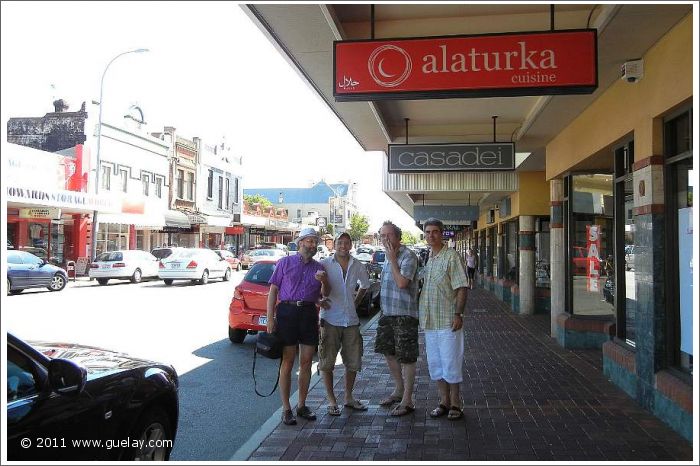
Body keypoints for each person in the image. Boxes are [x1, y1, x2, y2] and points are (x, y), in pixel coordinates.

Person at [267, 227, 331, 426]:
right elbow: (273, 291)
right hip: (287, 313)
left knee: (306, 362)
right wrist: (270, 318)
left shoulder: (319, 268)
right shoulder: (284, 263)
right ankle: (286, 409)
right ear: (300, 242)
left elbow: (325, 294)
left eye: (314, 242)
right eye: (309, 241)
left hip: (308, 313)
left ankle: (302, 405)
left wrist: (324, 281)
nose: (312, 245)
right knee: (287, 361)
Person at [420, 218, 469, 421]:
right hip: (430, 321)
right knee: (436, 364)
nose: (431, 235)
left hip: (448, 320)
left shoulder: (452, 257)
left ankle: (456, 403)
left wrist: (459, 314)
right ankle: (443, 401)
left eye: (435, 232)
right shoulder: (429, 258)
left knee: (451, 362)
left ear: (442, 234)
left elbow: (461, 288)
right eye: (428, 232)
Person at [319, 232, 370, 415]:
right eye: (340, 243)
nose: (343, 246)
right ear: (335, 244)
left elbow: (365, 285)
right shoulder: (324, 264)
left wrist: (356, 302)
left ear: (350, 245)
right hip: (330, 318)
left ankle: (348, 397)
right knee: (327, 361)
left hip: (351, 320)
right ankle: (331, 400)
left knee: (353, 361)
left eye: (346, 243)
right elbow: (315, 288)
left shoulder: (357, 264)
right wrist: (319, 300)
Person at [375, 220, 420, 417]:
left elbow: (402, 283)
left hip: (404, 315)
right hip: (387, 313)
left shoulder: (407, 256)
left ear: (398, 237)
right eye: (382, 236)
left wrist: (393, 259)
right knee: (389, 352)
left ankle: (408, 400)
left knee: (407, 357)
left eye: (389, 235)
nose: (385, 239)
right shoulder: (387, 256)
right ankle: (399, 389)